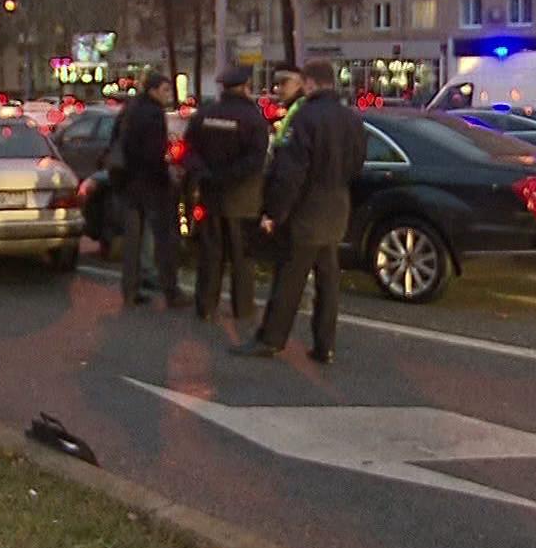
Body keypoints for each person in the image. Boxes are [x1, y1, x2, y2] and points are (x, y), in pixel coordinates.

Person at [232, 59, 365, 364]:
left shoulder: (304, 118)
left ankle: (271, 338)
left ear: (310, 83)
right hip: (336, 209)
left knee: (289, 280)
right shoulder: (351, 118)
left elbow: (291, 173)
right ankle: (324, 344)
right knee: (328, 282)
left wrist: (274, 213)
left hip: (306, 212)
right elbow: (357, 164)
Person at [184, 64, 270, 321]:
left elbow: (189, 151)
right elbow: (256, 159)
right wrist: (229, 176)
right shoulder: (254, 118)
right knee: (242, 259)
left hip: (211, 197)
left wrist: (206, 174)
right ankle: (242, 309)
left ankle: (205, 306)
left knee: (211, 255)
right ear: (246, 87)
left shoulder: (205, 114)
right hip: (243, 199)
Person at [115, 72, 185, 307]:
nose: (168, 95)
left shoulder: (131, 109)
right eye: (165, 90)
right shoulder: (154, 114)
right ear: (153, 90)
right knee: (165, 239)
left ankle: (130, 290)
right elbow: (154, 154)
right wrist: (167, 174)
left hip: (129, 182)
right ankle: (171, 291)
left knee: (133, 241)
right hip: (151, 185)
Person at [268, 64, 305, 147]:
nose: (276, 89)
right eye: (276, 84)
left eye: (283, 83)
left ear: (298, 84)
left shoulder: (301, 110)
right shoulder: (285, 110)